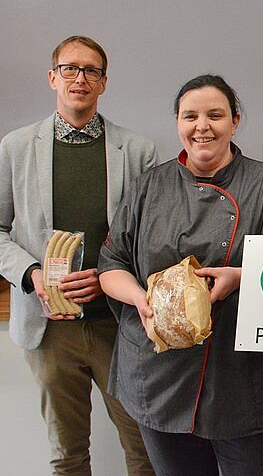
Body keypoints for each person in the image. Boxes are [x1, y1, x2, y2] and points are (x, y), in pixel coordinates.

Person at [98, 75, 263, 476]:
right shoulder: (148, 188)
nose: (202, 126)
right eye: (190, 116)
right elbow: (112, 264)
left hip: (247, 380)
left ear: (235, 121)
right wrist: (141, 300)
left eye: (215, 115)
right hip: (160, 377)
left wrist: (243, 277)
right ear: (177, 122)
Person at [0, 35, 156, 475]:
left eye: (91, 71)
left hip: (118, 325)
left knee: (143, 451)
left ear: (104, 83)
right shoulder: (14, 148)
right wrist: (32, 274)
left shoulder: (138, 152)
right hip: (49, 329)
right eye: (70, 68)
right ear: (53, 77)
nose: (80, 78)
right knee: (67, 456)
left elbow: (148, 239)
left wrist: (106, 276)